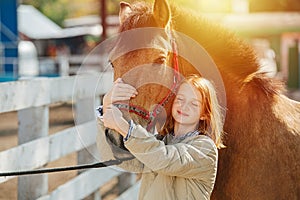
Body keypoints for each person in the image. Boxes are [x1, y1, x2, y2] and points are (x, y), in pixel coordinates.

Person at [99, 74, 225, 200]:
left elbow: (164, 158)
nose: (184, 106)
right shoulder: (159, 142)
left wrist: (125, 127)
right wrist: (107, 106)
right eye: (180, 99)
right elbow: (123, 159)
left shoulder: (205, 149)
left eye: (194, 104)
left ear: (204, 114)